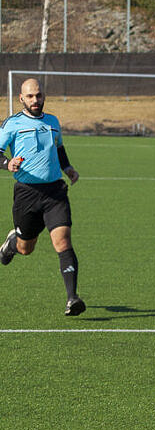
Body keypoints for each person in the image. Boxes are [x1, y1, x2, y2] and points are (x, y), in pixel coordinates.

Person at [0, 78, 86, 316]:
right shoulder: (12, 124)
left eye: (38, 95)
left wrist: (67, 168)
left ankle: (72, 298)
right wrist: (8, 163)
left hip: (54, 192)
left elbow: (58, 148)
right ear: (21, 98)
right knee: (26, 248)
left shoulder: (53, 121)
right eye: (30, 96)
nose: (35, 100)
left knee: (63, 241)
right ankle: (11, 245)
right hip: (27, 194)